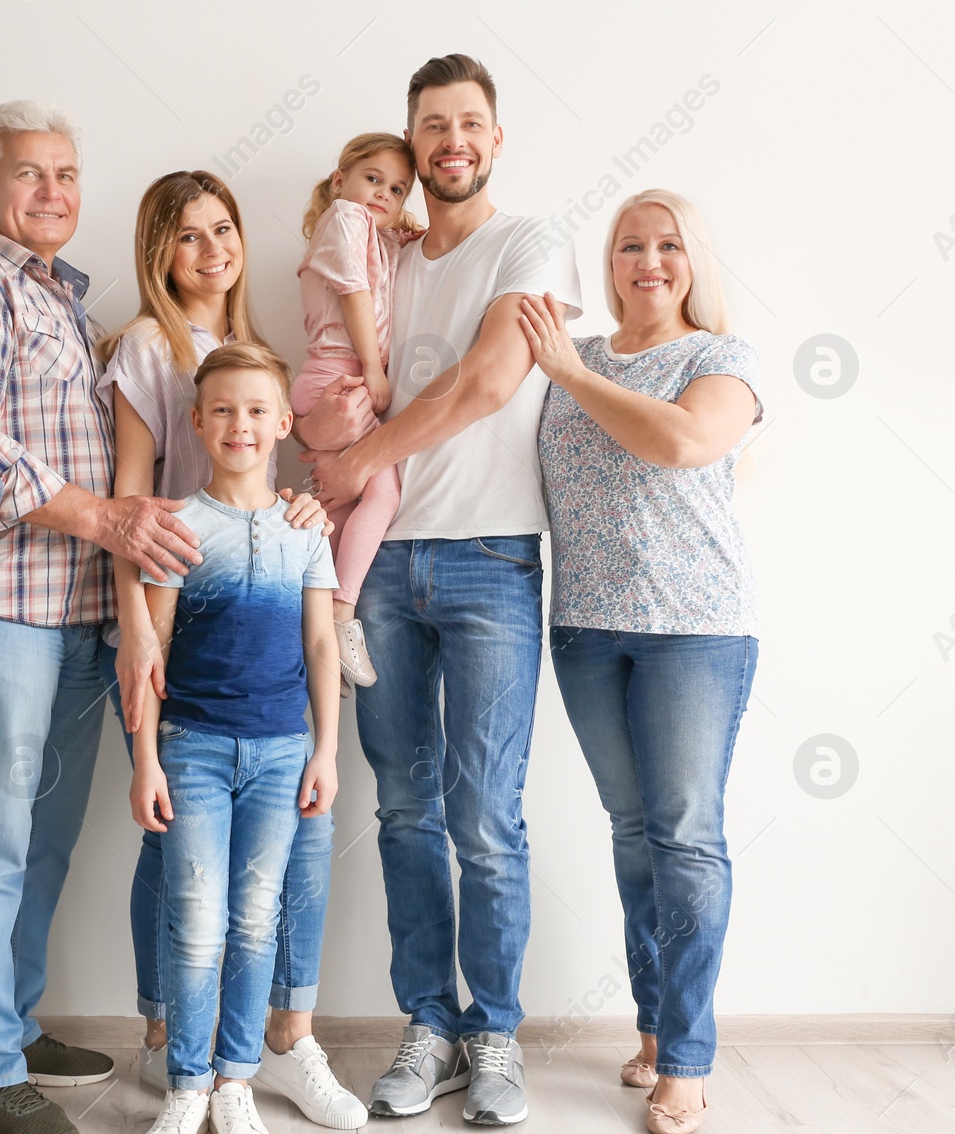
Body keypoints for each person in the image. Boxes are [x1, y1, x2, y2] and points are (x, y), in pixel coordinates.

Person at [0, 100, 207, 1134]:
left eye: (66, 175)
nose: (51, 193)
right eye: (28, 174)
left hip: (79, 618)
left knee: (41, 845)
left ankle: (12, 1025)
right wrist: (111, 518)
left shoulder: (72, 311)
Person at [297, 54, 583, 1127]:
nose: (450, 140)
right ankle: (430, 1024)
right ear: (411, 146)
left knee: (485, 817)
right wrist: (336, 461)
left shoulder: (528, 241)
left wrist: (359, 454)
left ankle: (493, 1033)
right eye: (431, 125)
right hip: (377, 567)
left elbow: (486, 381)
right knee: (405, 810)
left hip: (489, 558)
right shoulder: (386, 250)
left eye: (469, 122)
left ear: (494, 140)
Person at [97, 171, 366, 1129]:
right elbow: (134, 505)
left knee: (269, 885)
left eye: (223, 229)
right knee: (183, 878)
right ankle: (181, 1053)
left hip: (277, 689)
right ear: (156, 254)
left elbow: (320, 631)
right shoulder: (146, 346)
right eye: (185, 236)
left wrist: (297, 509)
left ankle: (254, 1058)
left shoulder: (251, 361)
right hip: (181, 614)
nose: (210, 249)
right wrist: (135, 628)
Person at [521, 189, 762, 1134]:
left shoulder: (718, 359)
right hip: (585, 626)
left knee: (687, 837)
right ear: (608, 262)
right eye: (629, 246)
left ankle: (690, 1059)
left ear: (693, 261)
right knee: (634, 832)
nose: (647, 261)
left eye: (667, 245)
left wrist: (568, 375)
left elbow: (686, 440)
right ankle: (659, 1027)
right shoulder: (565, 356)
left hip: (695, 631)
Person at [128, 342, 342, 1134]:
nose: (239, 425)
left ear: (285, 423)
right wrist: (146, 759)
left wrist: (324, 750)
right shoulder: (177, 525)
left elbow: (323, 648)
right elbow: (150, 653)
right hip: (193, 750)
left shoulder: (306, 533)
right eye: (221, 410)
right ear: (196, 422)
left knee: (256, 917)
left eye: (257, 410)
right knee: (197, 916)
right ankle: (187, 1084)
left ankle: (235, 1082)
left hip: (284, 751)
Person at [291, 133, 424, 691]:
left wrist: (404, 234)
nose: (383, 193)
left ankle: (317, 624)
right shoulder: (345, 217)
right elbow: (354, 293)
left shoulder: (369, 230)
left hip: (329, 378)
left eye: (397, 189)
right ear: (340, 177)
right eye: (373, 178)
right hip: (341, 376)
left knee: (340, 507)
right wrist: (374, 371)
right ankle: (342, 615)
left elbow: (379, 270)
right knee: (383, 492)